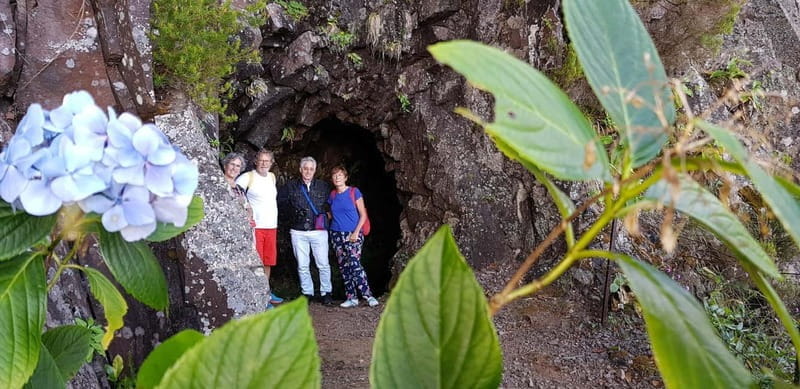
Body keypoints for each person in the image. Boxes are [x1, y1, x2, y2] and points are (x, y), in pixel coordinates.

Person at [278, 156, 333, 305]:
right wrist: (292, 215)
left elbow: (333, 203)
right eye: (305, 168)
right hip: (298, 230)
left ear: (315, 170)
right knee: (302, 264)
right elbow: (281, 205)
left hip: (319, 230)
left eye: (311, 169)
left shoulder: (323, 186)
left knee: (323, 263)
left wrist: (327, 216)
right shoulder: (291, 186)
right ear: (300, 169)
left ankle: (326, 292)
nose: (308, 171)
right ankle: (307, 292)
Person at [234, 150, 283, 309]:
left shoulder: (272, 177)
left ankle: (265, 293)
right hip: (256, 227)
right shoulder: (247, 177)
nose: (264, 163)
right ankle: (256, 297)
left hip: (271, 226)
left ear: (271, 163)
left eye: (267, 161)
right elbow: (233, 193)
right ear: (256, 161)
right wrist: (246, 213)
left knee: (268, 261)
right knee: (257, 263)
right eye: (261, 160)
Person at [327, 165, 379, 308]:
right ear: (332, 179)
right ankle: (351, 297)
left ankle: (368, 296)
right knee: (344, 266)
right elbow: (332, 214)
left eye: (340, 175)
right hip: (336, 233)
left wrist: (356, 232)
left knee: (355, 265)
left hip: (353, 233)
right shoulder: (332, 195)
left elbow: (363, 215)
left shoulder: (354, 192)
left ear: (345, 177)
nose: (337, 178)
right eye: (334, 175)